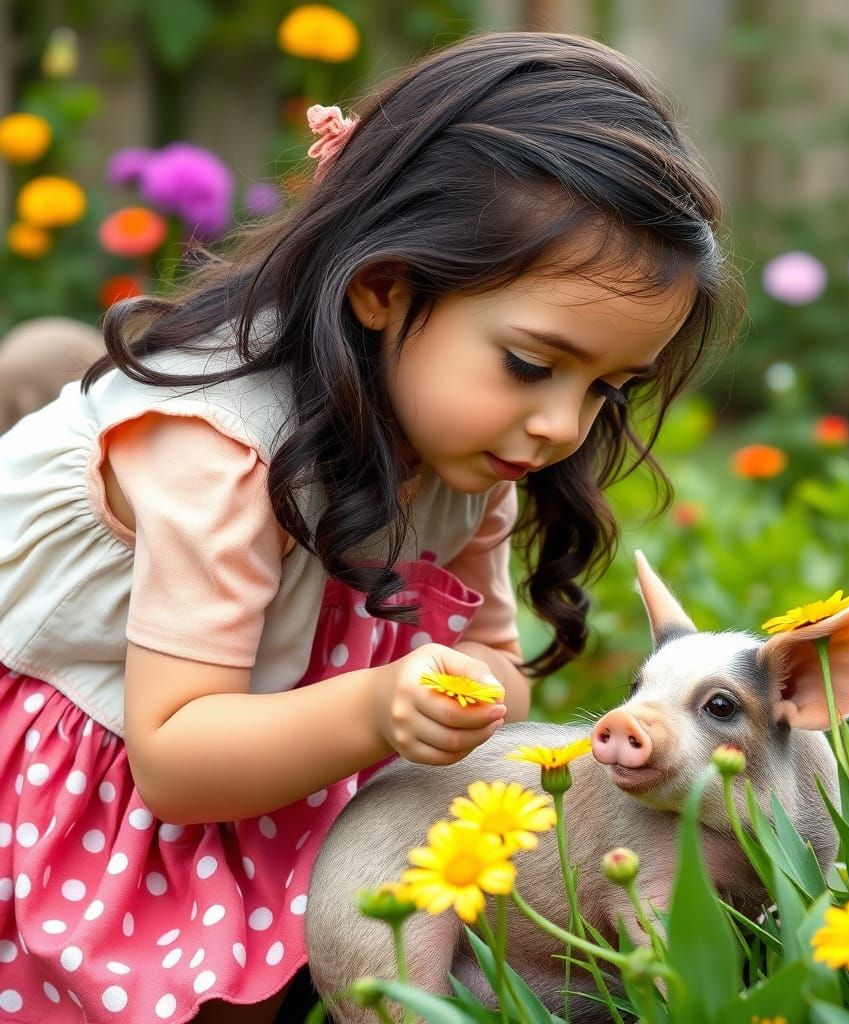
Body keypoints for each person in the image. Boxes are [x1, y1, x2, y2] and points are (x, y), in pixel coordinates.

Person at [0, 29, 737, 1024]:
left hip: (267, 726)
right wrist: (378, 708)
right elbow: (173, 760)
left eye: (606, 387)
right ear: (384, 289)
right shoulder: (219, 456)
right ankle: (34, 376)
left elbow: (491, 660)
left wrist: (470, 691)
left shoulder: (477, 451)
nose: (563, 425)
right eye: (531, 363)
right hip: (113, 749)